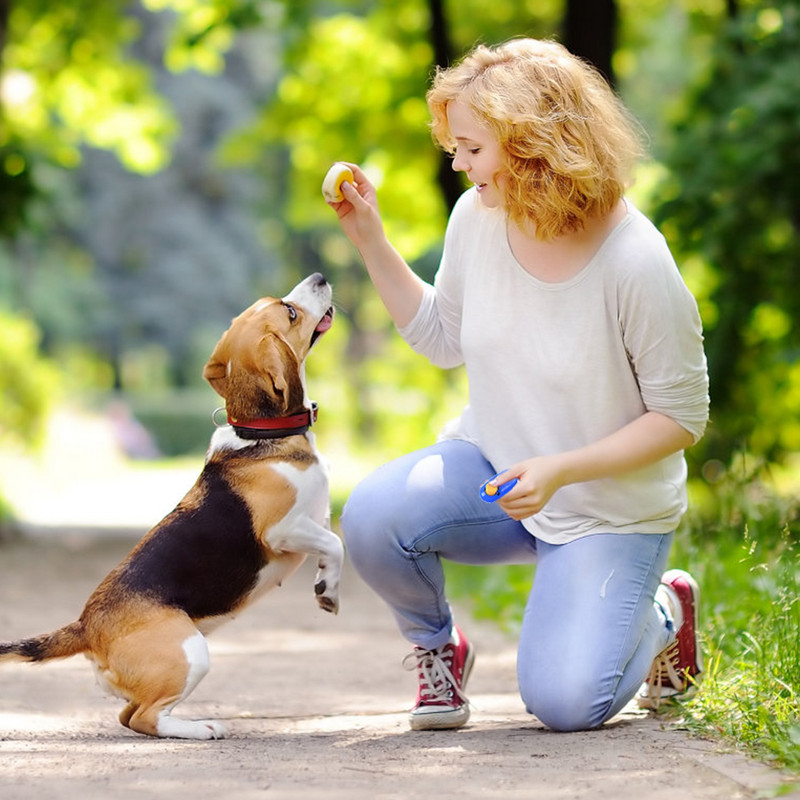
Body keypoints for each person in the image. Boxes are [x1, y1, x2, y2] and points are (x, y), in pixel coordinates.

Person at [326, 37, 709, 732]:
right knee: (374, 518)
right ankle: (438, 652)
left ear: (534, 143)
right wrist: (370, 240)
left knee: (565, 705)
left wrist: (563, 470)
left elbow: (681, 417)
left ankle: (664, 612)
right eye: (454, 147)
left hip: (605, 507)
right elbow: (442, 337)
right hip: (498, 474)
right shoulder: (478, 217)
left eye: (472, 148)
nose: (458, 164)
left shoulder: (636, 261)